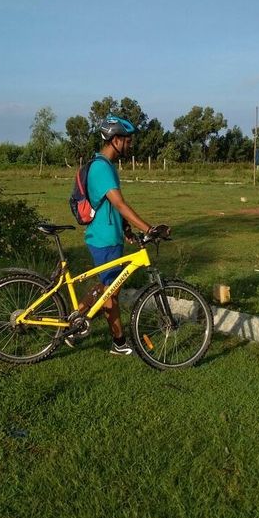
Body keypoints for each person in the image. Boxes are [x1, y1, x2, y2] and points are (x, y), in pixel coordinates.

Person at [78, 114, 166, 355]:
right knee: (111, 293)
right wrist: (149, 228)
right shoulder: (101, 168)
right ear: (114, 139)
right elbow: (119, 204)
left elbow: (108, 205)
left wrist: (126, 229)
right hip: (104, 239)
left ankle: (74, 321)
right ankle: (118, 342)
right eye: (127, 140)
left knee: (106, 287)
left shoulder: (105, 166)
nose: (130, 144)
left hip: (109, 236)